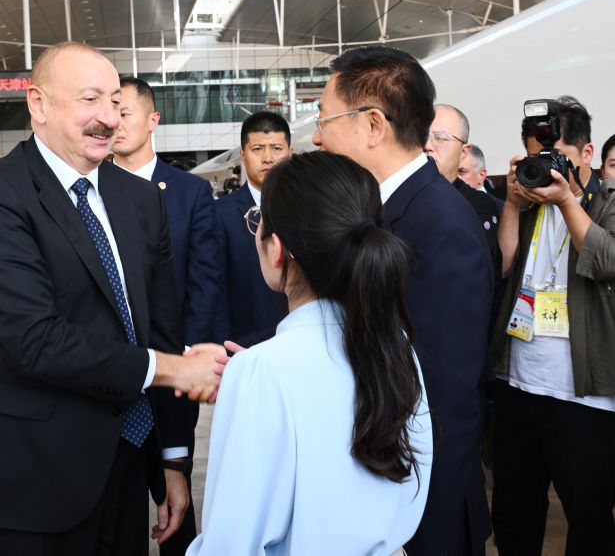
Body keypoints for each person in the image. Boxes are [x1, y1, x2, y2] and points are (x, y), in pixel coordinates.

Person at [0, 41, 221, 556]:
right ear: (38, 104)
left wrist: (173, 461)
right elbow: (35, 339)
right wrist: (173, 369)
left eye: (115, 102)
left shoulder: (141, 198)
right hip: (32, 476)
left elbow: (161, 328)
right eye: (90, 99)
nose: (108, 118)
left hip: (128, 459)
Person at [187, 151, 432, 555]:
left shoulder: (262, 371)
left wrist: (255, 380)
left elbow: (231, 544)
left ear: (276, 249)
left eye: (258, 221)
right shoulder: (396, 344)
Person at [312, 46, 493, 555]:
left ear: (373, 125)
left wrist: (410, 525)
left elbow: (444, 396)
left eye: (325, 120)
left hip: (420, 508)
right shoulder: (383, 209)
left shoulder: (439, 224)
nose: (318, 137)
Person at [491, 95, 615, 555]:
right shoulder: (528, 204)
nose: (546, 169)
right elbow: (503, 264)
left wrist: (566, 199)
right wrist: (511, 201)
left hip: (582, 397)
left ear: (587, 153)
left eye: (556, 157)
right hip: (518, 386)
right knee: (513, 518)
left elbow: (606, 260)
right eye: (537, 158)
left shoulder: (607, 203)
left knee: (589, 522)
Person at [113, 75, 220, 556]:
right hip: (113, 369)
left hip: (172, 365)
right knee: (116, 502)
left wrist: (187, 358)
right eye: (109, 111)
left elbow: (204, 281)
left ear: (153, 119)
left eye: (125, 112)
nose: (114, 122)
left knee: (175, 493)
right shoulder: (91, 189)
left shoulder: (188, 191)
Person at [213, 111, 290, 346]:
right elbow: (216, 291)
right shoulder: (220, 214)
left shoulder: (311, 207)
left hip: (301, 340)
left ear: (290, 153)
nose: (268, 158)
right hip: (244, 343)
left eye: (276, 148)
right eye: (258, 149)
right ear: (243, 155)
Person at [426, 104, 500, 253]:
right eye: (422, 137)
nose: (427, 146)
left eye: (440, 138)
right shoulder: (401, 194)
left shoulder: (478, 205)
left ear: (463, 152)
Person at [460, 143, 505, 212]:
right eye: (452, 171)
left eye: (462, 171)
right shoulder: (446, 204)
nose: (455, 177)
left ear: (481, 176)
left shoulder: (502, 210)